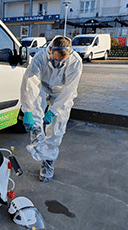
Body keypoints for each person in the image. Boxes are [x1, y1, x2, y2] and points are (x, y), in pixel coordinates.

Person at [20, 35, 82, 182]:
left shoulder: (75, 62)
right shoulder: (40, 57)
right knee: (35, 105)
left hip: (62, 92)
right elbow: (29, 82)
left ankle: (47, 163)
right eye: (56, 58)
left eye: (62, 60)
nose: (58, 63)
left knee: (57, 128)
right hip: (42, 85)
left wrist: (53, 111)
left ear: (69, 54)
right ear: (50, 50)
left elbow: (69, 89)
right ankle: (37, 138)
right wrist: (27, 109)